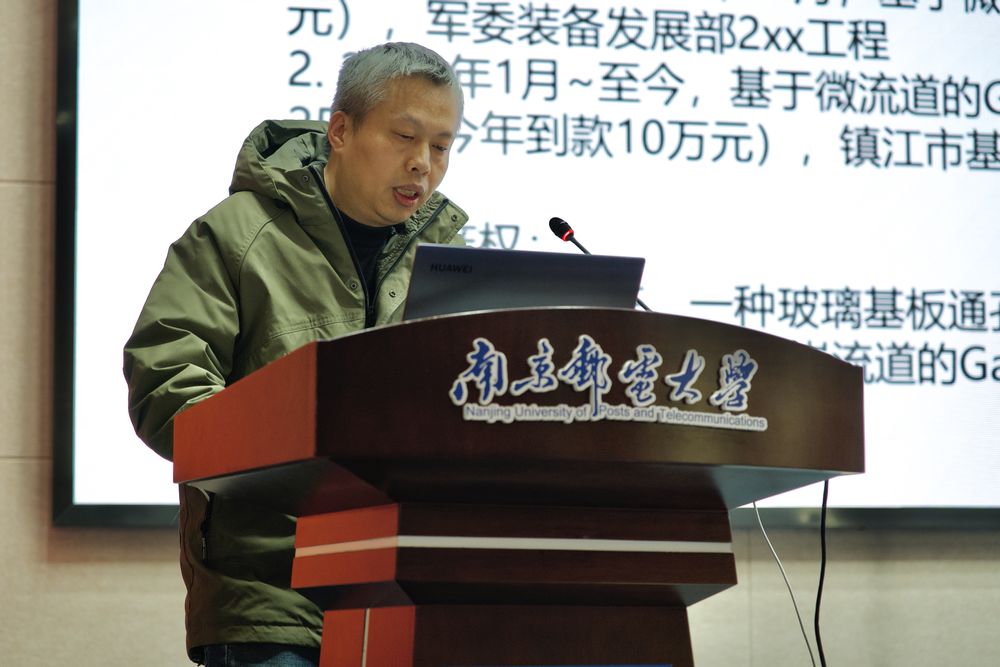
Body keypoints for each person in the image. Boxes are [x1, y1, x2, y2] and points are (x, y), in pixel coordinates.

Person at [123, 42, 467, 666]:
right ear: (341, 131)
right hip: (272, 591)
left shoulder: (448, 263)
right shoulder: (236, 235)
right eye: (404, 137)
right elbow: (165, 385)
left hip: (408, 593)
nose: (423, 163)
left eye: (441, 147)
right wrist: (304, 461)